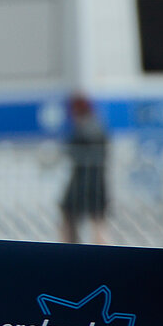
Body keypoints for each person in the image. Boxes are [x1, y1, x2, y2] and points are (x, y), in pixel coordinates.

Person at [60, 92, 108, 244]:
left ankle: (74, 245)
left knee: (91, 218)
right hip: (91, 179)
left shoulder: (88, 127)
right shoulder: (94, 125)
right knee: (91, 217)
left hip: (87, 180)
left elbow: (79, 148)